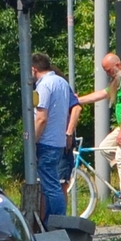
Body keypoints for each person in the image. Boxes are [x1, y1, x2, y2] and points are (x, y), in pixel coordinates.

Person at [75, 52, 121, 209]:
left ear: (117, 65)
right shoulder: (118, 81)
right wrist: (77, 100)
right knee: (104, 148)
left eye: (108, 70)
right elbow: (101, 94)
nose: (107, 73)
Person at [29, 52, 75, 224]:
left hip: (46, 141)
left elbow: (41, 118)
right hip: (58, 141)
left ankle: (56, 223)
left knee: (51, 186)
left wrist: (32, 142)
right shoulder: (61, 82)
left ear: (34, 69)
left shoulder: (44, 86)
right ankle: (53, 221)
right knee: (53, 184)